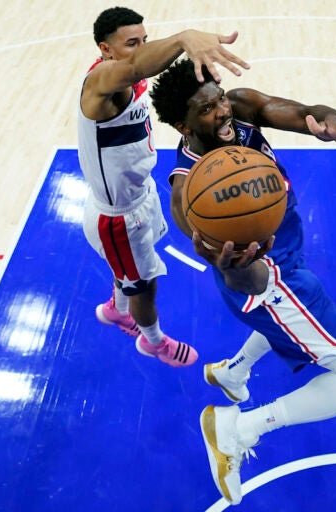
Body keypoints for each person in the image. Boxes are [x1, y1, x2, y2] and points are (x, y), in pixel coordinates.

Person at [149, 58, 336, 504]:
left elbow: (303, 113)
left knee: (288, 322)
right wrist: (249, 270)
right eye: (207, 109)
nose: (222, 111)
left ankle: (232, 372)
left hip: (285, 242)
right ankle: (236, 429)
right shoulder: (188, 191)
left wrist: (331, 126)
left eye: (219, 97)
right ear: (183, 125)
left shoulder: (237, 109)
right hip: (261, 275)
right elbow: (230, 269)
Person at [77, 7, 249, 368]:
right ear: (105, 50)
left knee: (130, 270)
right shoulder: (103, 83)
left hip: (141, 195)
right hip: (118, 219)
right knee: (145, 285)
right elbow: (136, 66)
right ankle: (152, 342)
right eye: (130, 43)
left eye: (144, 40)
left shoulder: (128, 78)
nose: (140, 48)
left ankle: (116, 307)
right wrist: (186, 37)